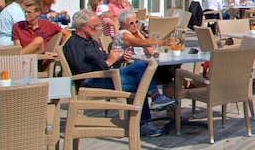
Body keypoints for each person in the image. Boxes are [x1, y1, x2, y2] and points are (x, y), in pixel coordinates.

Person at [63, 9, 175, 137]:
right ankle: (144, 122)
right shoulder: (73, 44)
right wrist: (108, 62)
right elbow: (83, 69)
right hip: (91, 81)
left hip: (107, 74)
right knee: (140, 82)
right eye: (94, 26)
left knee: (139, 65)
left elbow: (106, 58)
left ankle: (155, 98)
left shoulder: (91, 41)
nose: (97, 29)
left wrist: (119, 59)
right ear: (82, 26)